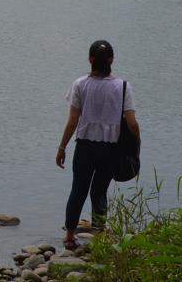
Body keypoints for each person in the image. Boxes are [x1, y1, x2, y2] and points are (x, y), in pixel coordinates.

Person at [55, 39, 140, 250]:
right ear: (111, 60)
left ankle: (69, 237)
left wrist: (62, 147)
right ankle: (99, 236)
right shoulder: (123, 87)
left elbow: (72, 122)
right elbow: (131, 123)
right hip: (111, 149)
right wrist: (137, 144)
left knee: (78, 190)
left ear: (90, 59)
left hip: (84, 146)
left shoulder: (80, 84)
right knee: (100, 192)